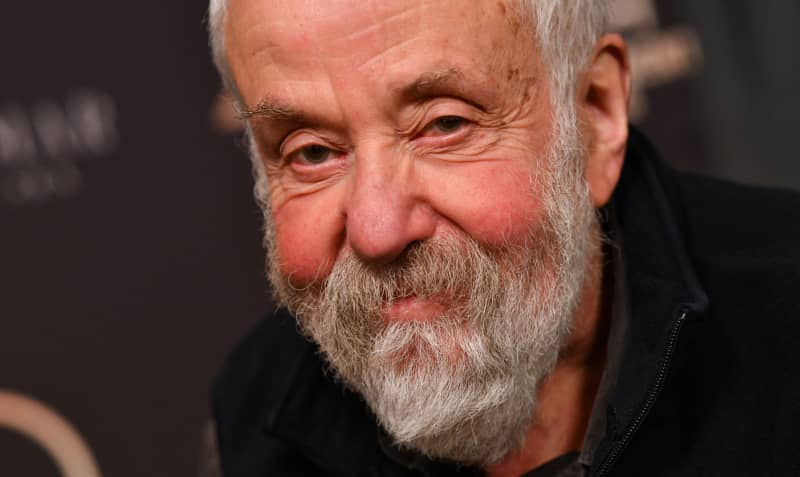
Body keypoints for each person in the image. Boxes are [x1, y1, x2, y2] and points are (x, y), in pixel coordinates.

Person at [205, 1, 800, 476]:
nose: (377, 230)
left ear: (594, 117)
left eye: (445, 125)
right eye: (311, 152)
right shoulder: (255, 413)